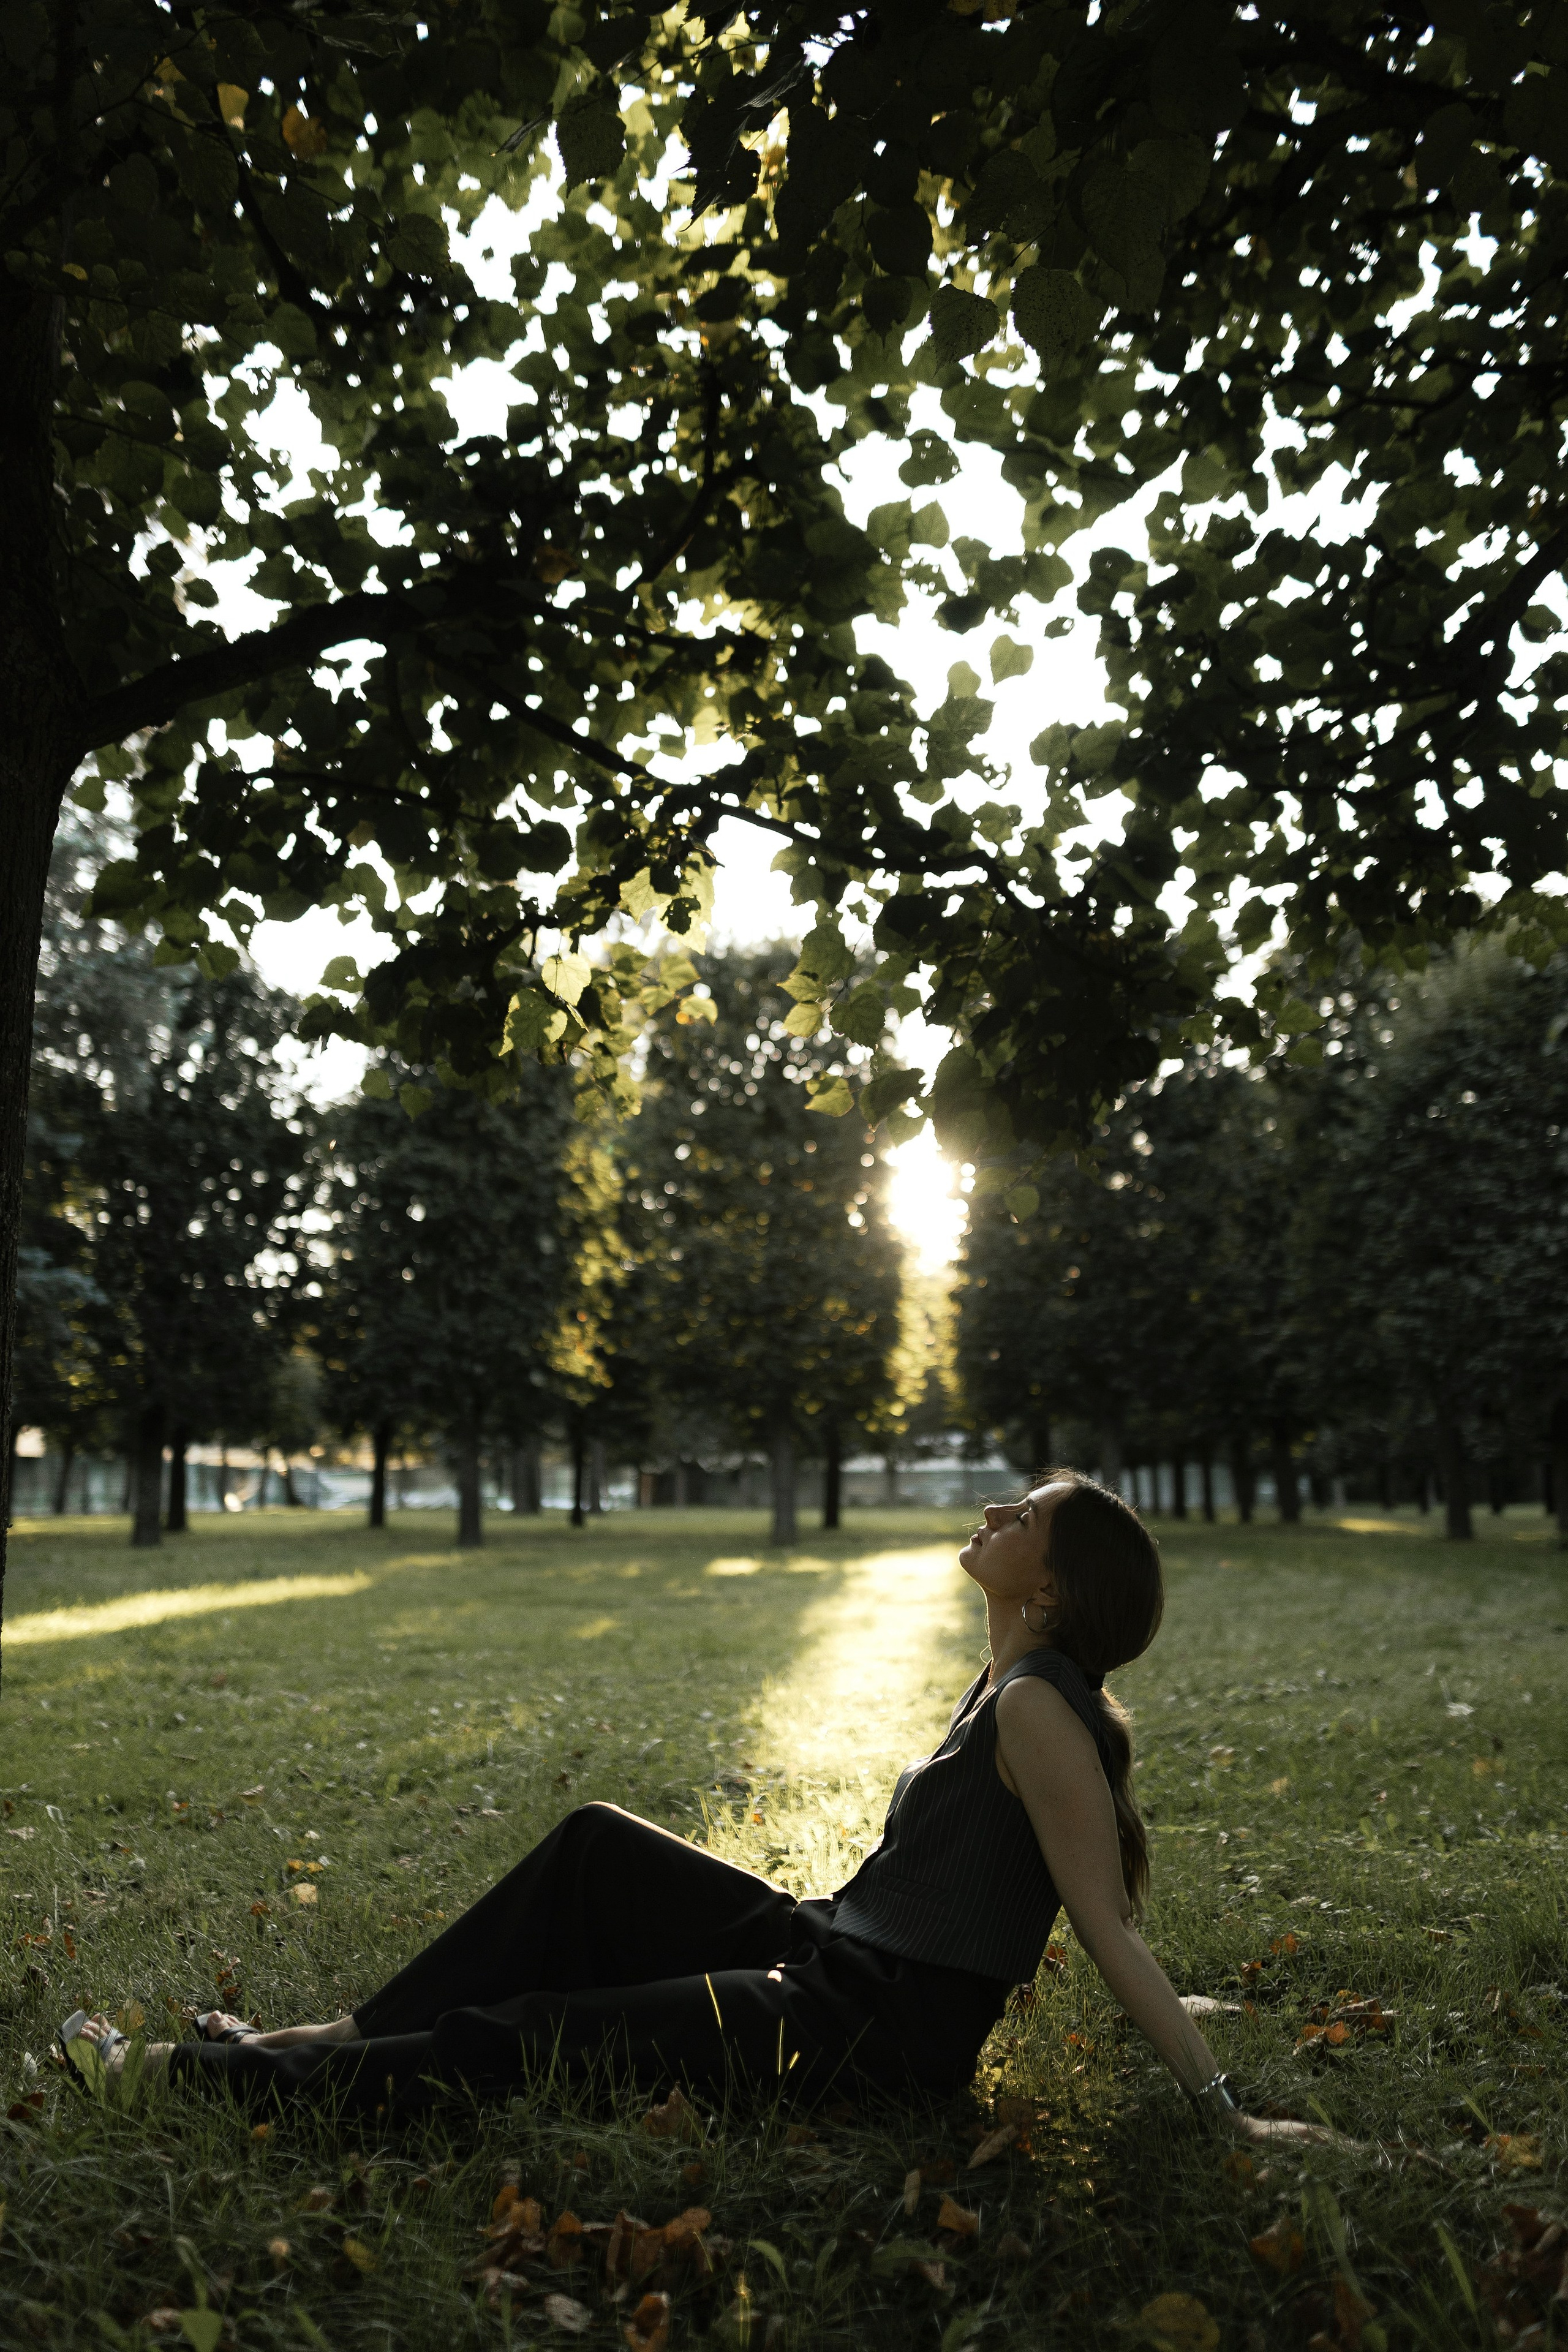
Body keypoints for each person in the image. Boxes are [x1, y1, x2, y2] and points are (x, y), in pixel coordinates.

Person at [62, 1471, 1321, 2141]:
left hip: (865, 2036)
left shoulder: (1039, 1704)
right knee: (599, 1849)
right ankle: (328, 2039)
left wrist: (1226, 2115)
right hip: (828, 1953)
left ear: (1053, 1584)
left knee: (532, 2031)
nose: (994, 1513)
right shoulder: (1002, 1678)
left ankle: (178, 2082)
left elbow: (1100, 1921)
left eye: (1026, 1517)